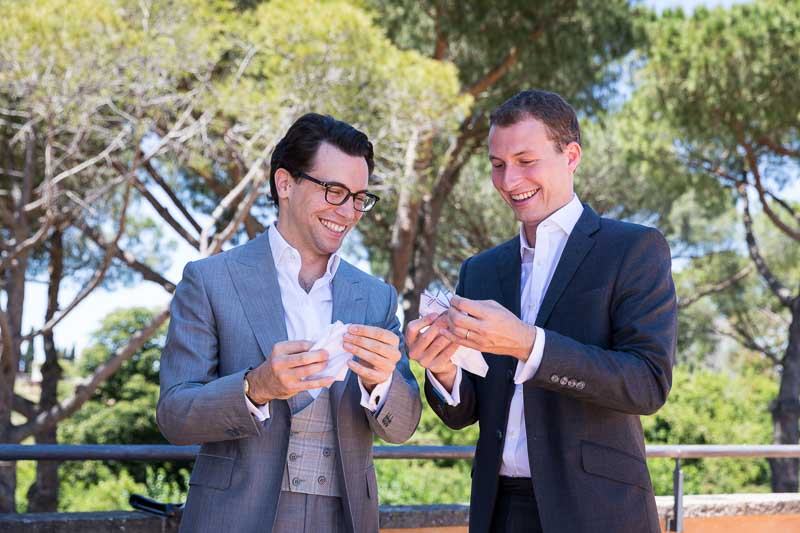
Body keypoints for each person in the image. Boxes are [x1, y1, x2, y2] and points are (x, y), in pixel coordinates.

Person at [407, 90, 677, 533]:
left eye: (525, 160)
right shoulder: (480, 270)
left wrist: (529, 344)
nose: (509, 180)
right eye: (497, 164)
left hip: (597, 511)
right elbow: (465, 412)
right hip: (498, 511)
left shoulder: (634, 248)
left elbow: (647, 383)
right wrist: (442, 370)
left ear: (570, 155)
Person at [157, 113, 421, 533]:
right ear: (285, 184)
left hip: (346, 520)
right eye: (335, 191)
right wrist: (254, 388)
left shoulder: (376, 296)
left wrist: (382, 383)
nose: (349, 212)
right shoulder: (209, 281)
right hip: (234, 519)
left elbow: (404, 426)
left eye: (359, 197)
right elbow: (174, 415)